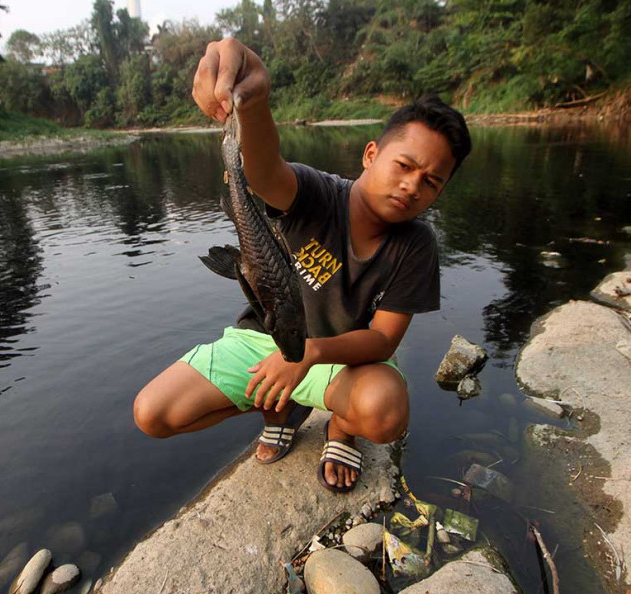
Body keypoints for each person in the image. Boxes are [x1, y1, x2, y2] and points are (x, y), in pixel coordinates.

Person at [133, 38, 471, 493]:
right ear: (371, 155)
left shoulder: (416, 245)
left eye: (431, 181)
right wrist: (252, 102)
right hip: (262, 339)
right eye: (404, 165)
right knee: (152, 414)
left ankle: (340, 428)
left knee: (385, 411)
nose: (412, 186)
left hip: (336, 360)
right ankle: (281, 405)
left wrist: (307, 355)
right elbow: (264, 171)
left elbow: (382, 339)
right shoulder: (314, 193)